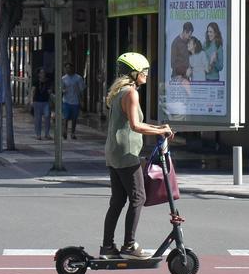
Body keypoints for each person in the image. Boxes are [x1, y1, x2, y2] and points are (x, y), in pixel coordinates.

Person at [102, 52, 175, 260]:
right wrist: (160, 130)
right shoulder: (131, 93)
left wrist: (160, 128)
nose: (146, 74)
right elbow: (135, 125)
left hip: (114, 151)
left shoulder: (118, 91)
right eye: (144, 71)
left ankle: (107, 246)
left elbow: (133, 124)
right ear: (133, 73)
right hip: (126, 153)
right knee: (138, 197)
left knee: (117, 200)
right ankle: (129, 245)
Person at [61, 63, 85, 140]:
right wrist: (63, 91)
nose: (68, 69)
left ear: (72, 68)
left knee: (74, 118)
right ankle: (64, 131)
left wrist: (82, 100)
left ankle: (73, 133)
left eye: (69, 68)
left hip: (75, 101)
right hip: (66, 101)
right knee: (66, 117)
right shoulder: (63, 78)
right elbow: (60, 89)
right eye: (66, 68)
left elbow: (82, 90)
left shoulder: (78, 78)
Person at [30, 68, 52, 140]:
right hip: (37, 101)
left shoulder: (48, 82)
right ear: (39, 74)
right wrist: (31, 101)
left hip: (46, 101)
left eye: (44, 73)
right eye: (41, 73)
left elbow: (50, 91)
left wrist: (51, 93)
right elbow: (33, 91)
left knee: (47, 117)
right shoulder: (36, 82)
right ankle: (38, 134)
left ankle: (47, 133)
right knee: (38, 119)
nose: (43, 74)